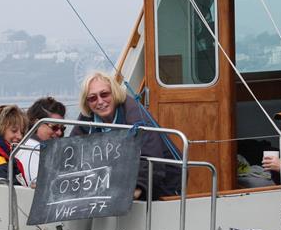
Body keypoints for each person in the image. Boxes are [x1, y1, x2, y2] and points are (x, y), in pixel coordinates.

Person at [70, 72, 181, 200]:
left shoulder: (135, 116)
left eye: (104, 94)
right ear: (87, 102)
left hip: (164, 180)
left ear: (114, 93)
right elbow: (73, 151)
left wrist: (136, 190)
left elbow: (151, 157)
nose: (100, 101)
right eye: (92, 98)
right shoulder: (87, 119)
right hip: (118, 180)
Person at [16, 97, 66, 187]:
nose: (59, 132)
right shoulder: (30, 151)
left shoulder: (42, 149)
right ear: (37, 124)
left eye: (62, 128)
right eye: (54, 127)